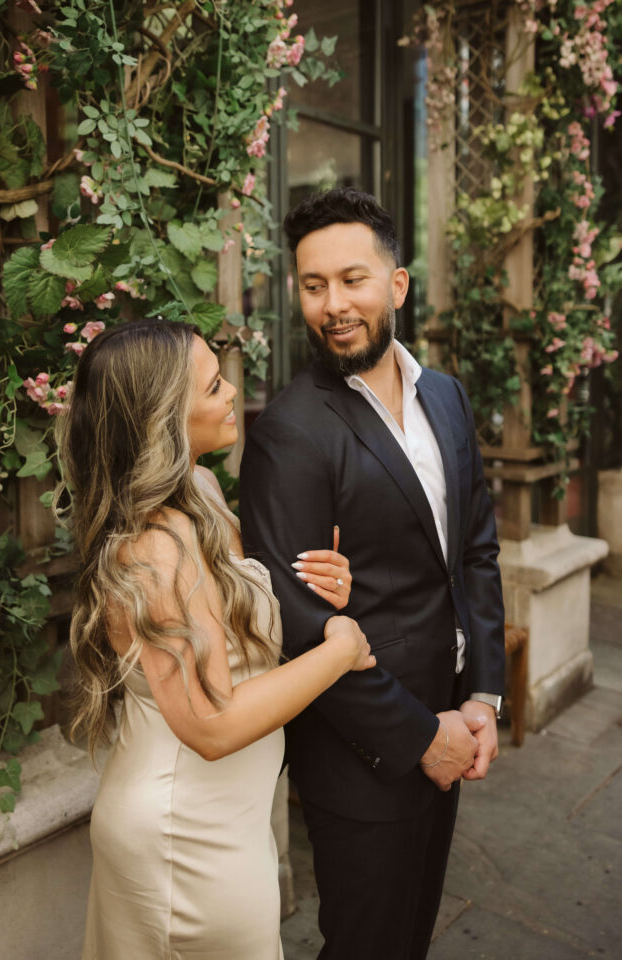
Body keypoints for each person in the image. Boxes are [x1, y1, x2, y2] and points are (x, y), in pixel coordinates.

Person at [56, 317, 376, 960]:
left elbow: (232, 628)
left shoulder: (197, 489)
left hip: (229, 817)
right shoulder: (153, 551)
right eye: (210, 388)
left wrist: (318, 592)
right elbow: (212, 726)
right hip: (185, 838)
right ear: (162, 419)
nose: (232, 391)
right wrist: (339, 651)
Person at [240, 187, 506, 960]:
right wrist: (422, 736)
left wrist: (481, 695)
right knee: (364, 945)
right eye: (313, 285)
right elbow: (294, 624)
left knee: (410, 937)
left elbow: (475, 551)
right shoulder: (290, 429)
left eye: (351, 279)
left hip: (454, 724)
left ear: (396, 284)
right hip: (364, 755)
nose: (332, 304)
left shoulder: (447, 397)